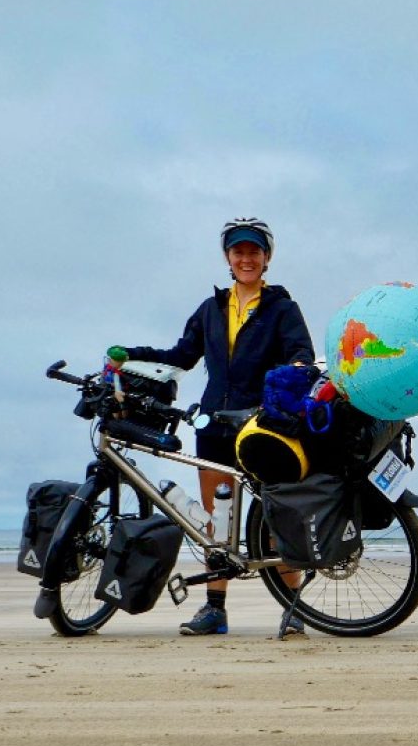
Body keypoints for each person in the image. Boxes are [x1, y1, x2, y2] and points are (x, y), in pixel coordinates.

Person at [121, 217, 315, 636]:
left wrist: (290, 376)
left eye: (254, 251)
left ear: (267, 258)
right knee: (217, 521)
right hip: (214, 426)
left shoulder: (282, 309)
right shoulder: (211, 309)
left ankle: (294, 609)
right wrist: (130, 354)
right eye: (238, 251)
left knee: (275, 519)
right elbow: (180, 356)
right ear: (227, 257)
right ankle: (215, 610)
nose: (246, 258)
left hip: (263, 426)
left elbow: (302, 355)